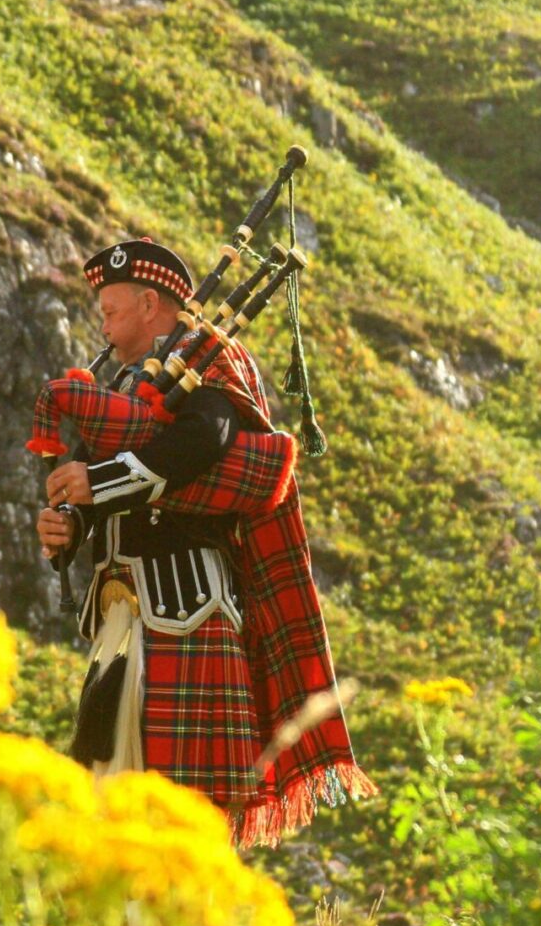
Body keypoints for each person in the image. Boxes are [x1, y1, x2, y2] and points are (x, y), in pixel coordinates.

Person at [37, 237, 373, 845]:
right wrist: (69, 527)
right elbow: (95, 494)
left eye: (110, 311)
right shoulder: (118, 387)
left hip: (187, 613)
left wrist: (99, 482)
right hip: (120, 621)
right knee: (111, 807)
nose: (103, 325)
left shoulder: (211, 362)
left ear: (148, 304)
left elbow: (202, 445)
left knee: (182, 814)